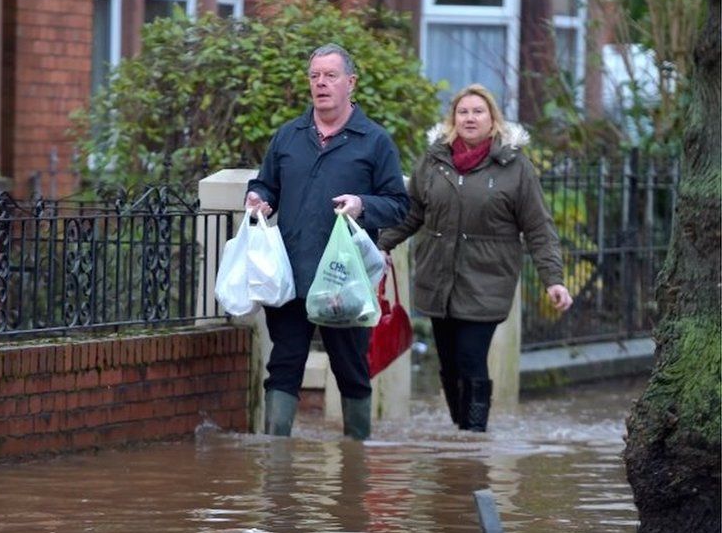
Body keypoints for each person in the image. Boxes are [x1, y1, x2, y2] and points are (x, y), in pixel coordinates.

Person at [377, 83, 573, 432]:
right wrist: (381, 245)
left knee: (471, 357)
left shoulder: (515, 167)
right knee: (449, 364)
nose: (470, 118)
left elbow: (539, 228)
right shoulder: (434, 162)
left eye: (477, 111)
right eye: (462, 112)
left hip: (487, 279)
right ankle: (460, 434)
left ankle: (474, 436)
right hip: (438, 278)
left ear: (492, 119)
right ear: (453, 119)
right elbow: (412, 214)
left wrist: (553, 279)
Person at [244, 43, 409, 440]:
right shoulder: (289, 136)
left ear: (350, 83)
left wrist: (361, 204)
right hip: (292, 277)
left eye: (330, 76)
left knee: (351, 371)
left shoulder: (374, 141)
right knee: (283, 367)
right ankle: (275, 461)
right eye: (315, 76)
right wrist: (257, 198)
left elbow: (399, 205)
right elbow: (265, 183)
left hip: (344, 281)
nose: (321, 83)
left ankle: (356, 461)